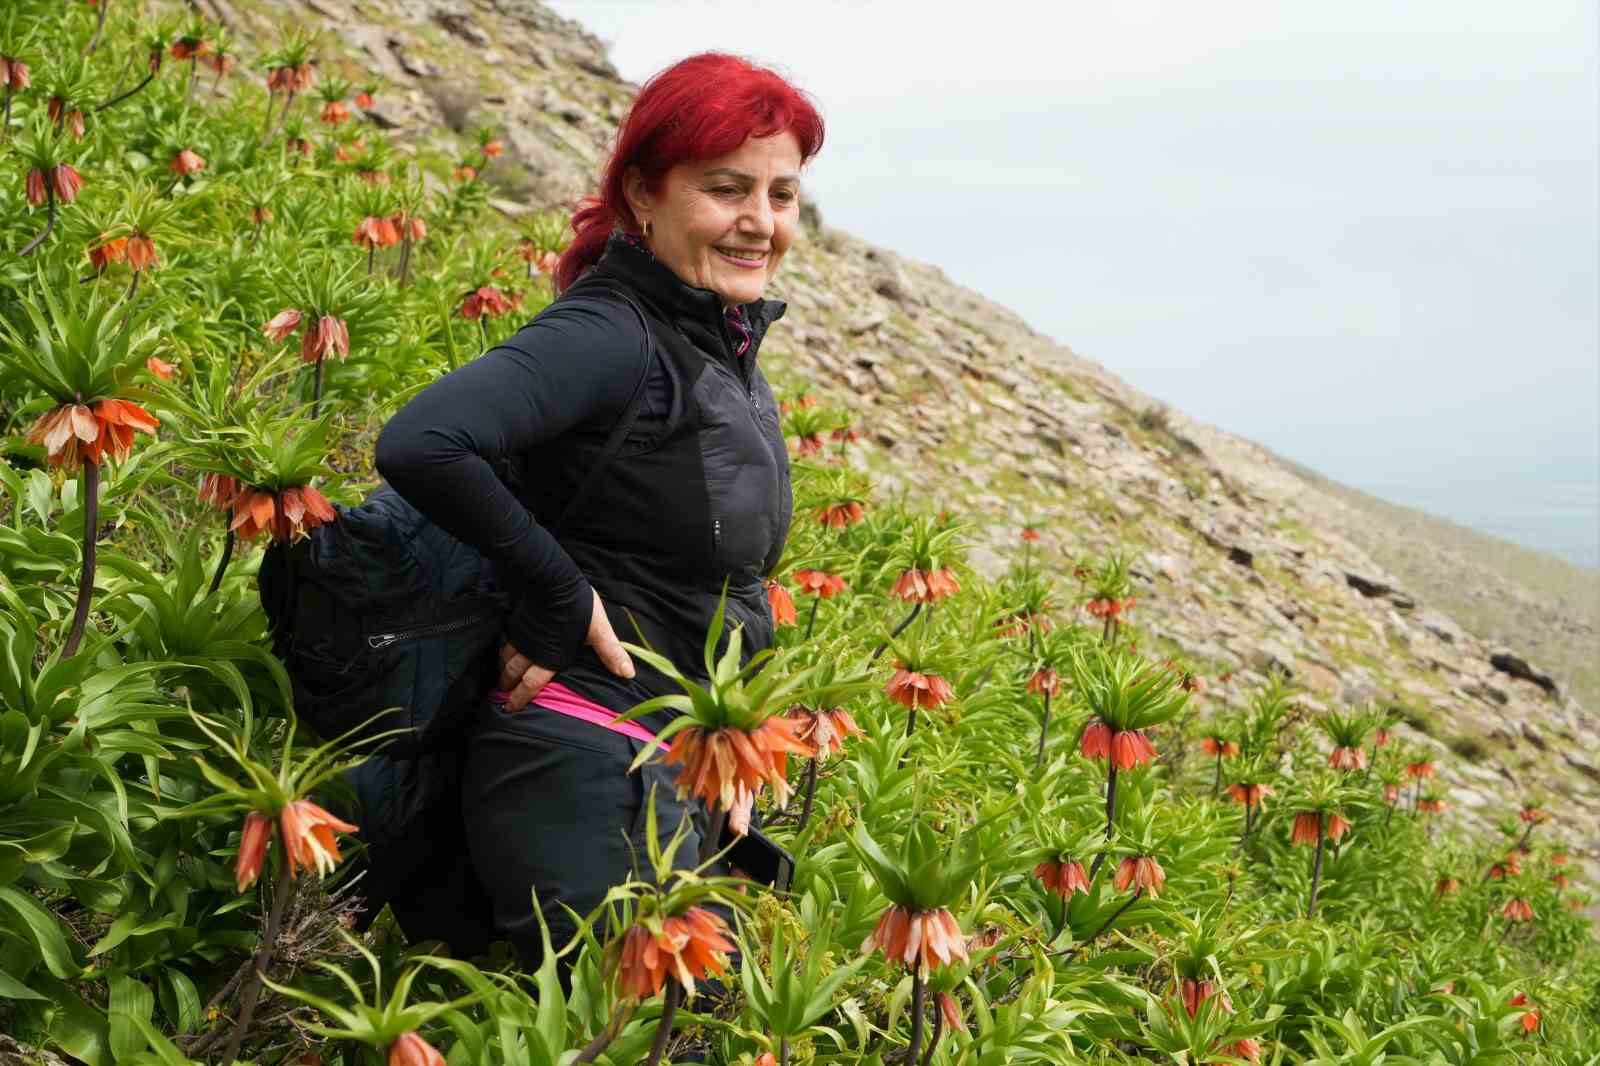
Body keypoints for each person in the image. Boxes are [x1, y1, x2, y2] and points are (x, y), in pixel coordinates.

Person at [373, 52, 824, 966]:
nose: (760, 221)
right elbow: (423, 441)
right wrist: (559, 593)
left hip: (664, 759)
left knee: (679, 1019)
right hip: (581, 757)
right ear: (643, 194)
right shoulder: (609, 332)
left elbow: (704, 579)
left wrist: (726, 739)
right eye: (727, 189)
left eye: (780, 195)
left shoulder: (716, 341)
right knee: (627, 1020)